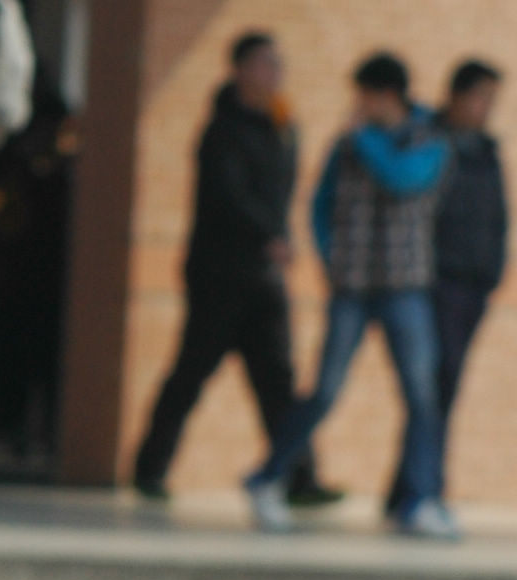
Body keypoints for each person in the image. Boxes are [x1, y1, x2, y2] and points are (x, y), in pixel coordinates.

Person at [245, 51, 451, 536]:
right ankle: (267, 479)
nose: (357, 105)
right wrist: (329, 254)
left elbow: (402, 179)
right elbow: (321, 203)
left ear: (386, 95)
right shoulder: (346, 146)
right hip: (352, 288)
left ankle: (422, 499)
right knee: (324, 391)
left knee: (422, 395)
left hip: (405, 288)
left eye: (364, 96)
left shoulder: (428, 141)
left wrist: (365, 139)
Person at [131, 31, 338, 505]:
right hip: (220, 274)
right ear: (240, 70)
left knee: (278, 379)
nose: (274, 73)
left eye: (278, 64)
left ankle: (299, 476)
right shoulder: (221, 130)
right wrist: (270, 234)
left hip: (265, 275)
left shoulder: (283, 127)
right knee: (192, 371)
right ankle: (150, 469)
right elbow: (228, 196)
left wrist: (279, 239)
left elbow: (283, 196)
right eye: (264, 63)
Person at [387, 59, 505, 510]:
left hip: (474, 286)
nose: (486, 107)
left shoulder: (486, 150)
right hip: (436, 283)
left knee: (440, 391)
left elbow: (497, 218)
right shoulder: (431, 141)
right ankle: (423, 492)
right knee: (430, 391)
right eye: (481, 97)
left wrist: (493, 272)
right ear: (457, 95)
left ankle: (411, 490)